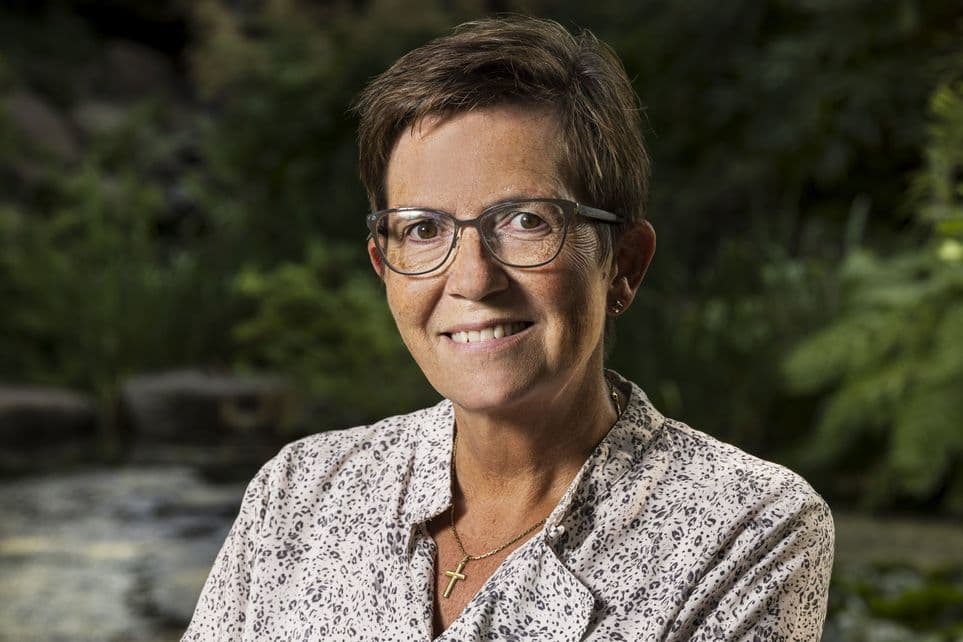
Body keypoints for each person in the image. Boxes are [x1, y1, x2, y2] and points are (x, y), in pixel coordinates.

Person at [183, 16, 833, 641]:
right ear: (384, 267)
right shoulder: (299, 490)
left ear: (624, 265)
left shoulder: (749, 526)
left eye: (525, 221)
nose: (472, 279)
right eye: (423, 228)